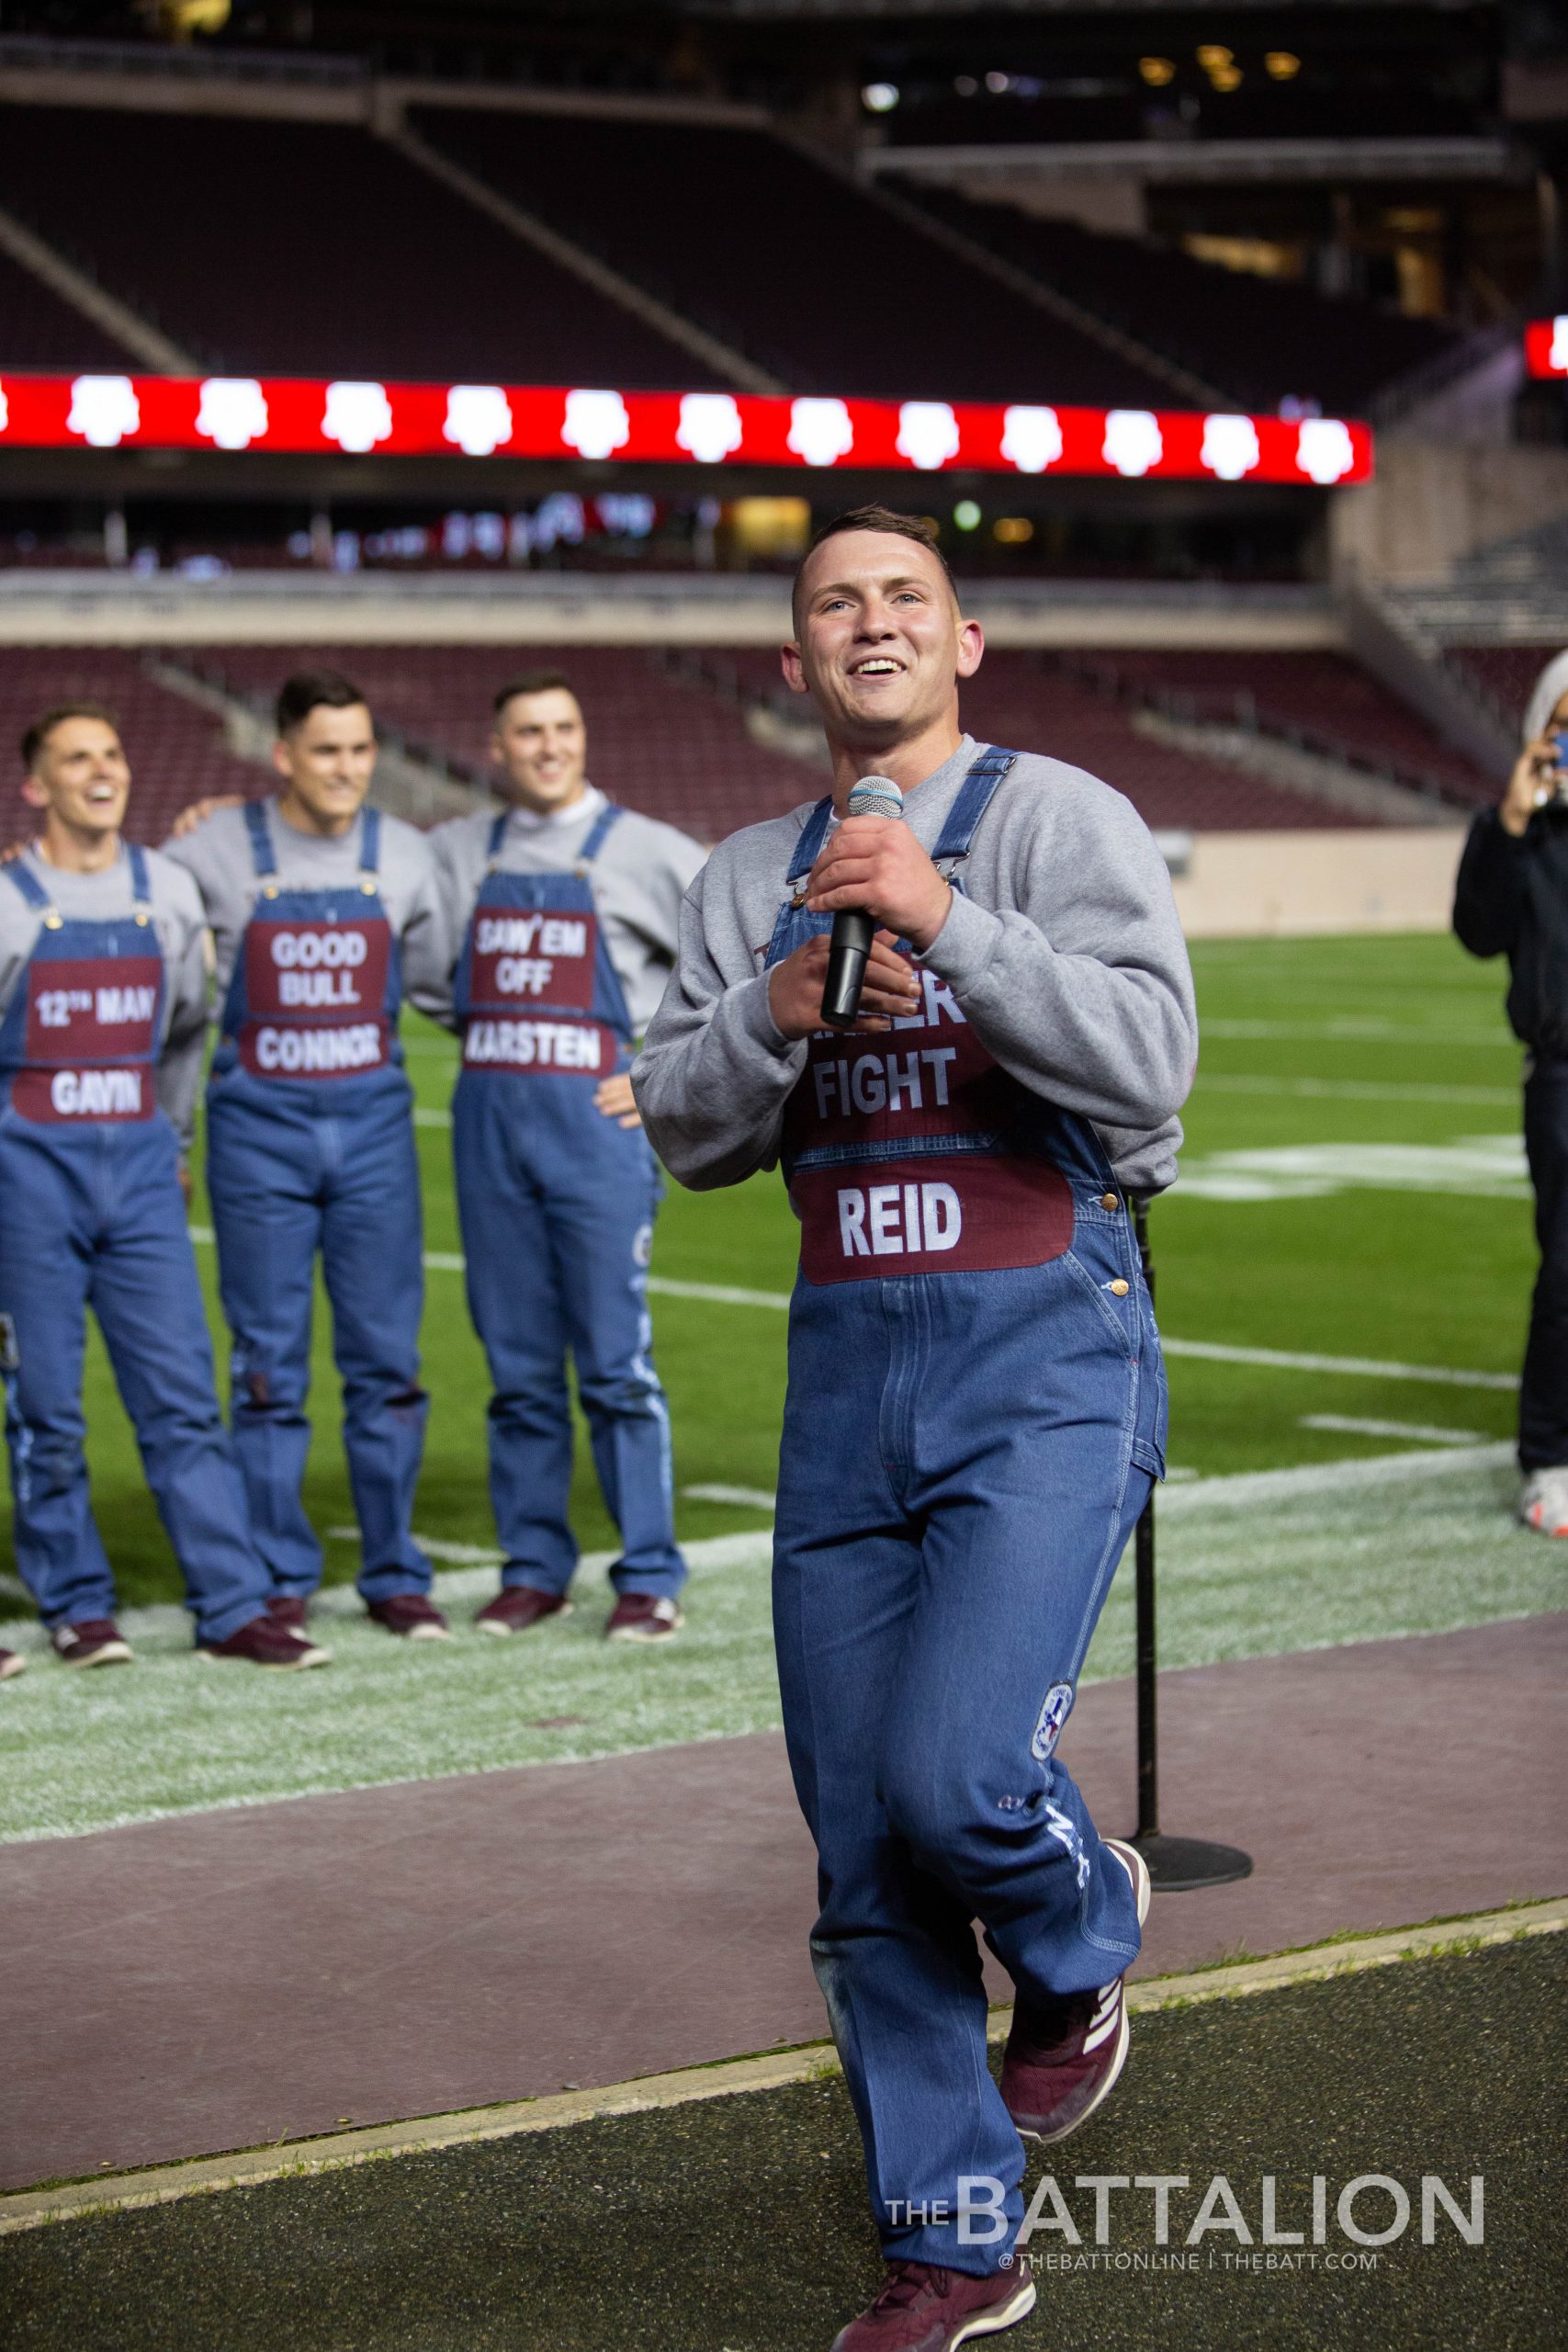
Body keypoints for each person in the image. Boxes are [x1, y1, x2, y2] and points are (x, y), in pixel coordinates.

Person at [634, 507, 1194, 2348]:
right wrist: (774, 1011)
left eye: (902, 598)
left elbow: (1148, 1067)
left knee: (959, 1776)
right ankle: (952, 2244)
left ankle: (1079, 1927)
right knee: (863, 1852)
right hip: (846, 1367)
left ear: (967, 640)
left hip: (1044, 1342)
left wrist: (946, 916)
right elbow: (690, 1130)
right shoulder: (740, 877)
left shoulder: (1059, 817)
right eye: (828, 604)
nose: (866, 621)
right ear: (791, 665)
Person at [0, 705, 327, 1670]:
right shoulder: (11, 901)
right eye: (76, 759)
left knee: (183, 1396)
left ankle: (230, 1601)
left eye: (112, 752)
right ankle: (76, 1604)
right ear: (36, 785)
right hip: (28, 1179)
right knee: (46, 1404)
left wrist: (172, 1137)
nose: (101, 771)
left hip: (142, 1173)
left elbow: (190, 1027)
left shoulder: (170, 891)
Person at [164, 673, 451, 1637]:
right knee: (266, 1367)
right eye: (326, 751)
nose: (347, 769)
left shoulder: (407, 856)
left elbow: (453, 987)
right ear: (281, 753)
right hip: (256, 1139)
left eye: (361, 750)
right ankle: (277, 1570)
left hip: (372, 1134)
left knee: (386, 1361)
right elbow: (138, 926)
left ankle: (394, 1570)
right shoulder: (208, 848)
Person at [428, 670, 704, 1641]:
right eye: (528, 732)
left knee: (617, 1365)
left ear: (583, 737)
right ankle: (533, 1566)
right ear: (496, 748)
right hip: (490, 1120)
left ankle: (649, 1574)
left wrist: (662, 1073)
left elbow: (740, 965)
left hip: (595, 1128)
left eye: (564, 726)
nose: (549, 745)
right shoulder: (455, 852)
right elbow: (414, 960)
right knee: (517, 1368)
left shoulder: (651, 850)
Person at [1454, 647, 1568, 1537]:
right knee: (1567, 1269)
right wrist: (1514, 821)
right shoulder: (1516, 829)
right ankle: (1550, 1457)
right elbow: (1479, 931)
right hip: (1562, 1076)